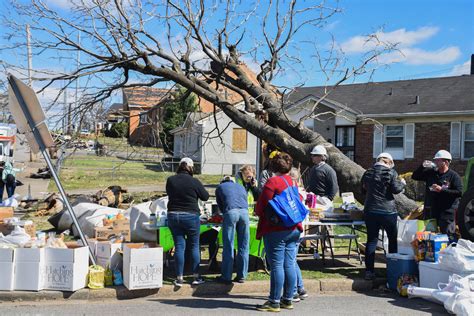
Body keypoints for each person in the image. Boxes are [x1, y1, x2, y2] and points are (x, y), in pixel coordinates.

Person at [255, 152, 303, 312]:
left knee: (276, 265)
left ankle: (274, 301)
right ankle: (288, 299)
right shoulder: (292, 182)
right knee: (289, 264)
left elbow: (261, 207)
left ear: (272, 166)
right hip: (294, 228)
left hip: (276, 229)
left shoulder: (272, 182)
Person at [166, 157, 209, 287]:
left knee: (179, 246)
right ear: (190, 168)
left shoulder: (171, 180)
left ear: (179, 166)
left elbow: (169, 193)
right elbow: (205, 196)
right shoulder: (194, 181)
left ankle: (179, 278)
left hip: (173, 215)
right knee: (194, 246)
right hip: (190, 215)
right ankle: (196, 276)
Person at [362, 152, 405, 280]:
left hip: (370, 210)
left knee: (372, 240)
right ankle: (392, 270)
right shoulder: (391, 173)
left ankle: (369, 271)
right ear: (389, 163)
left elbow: (363, 189)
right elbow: (396, 189)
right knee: (392, 240)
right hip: (388, 211)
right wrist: (402, 183)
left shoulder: (367, 172)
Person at [412, 150, 463, 240]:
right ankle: (432, 253)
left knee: (448, 236)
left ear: (446, 162)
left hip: (447, 212)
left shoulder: (453, 176)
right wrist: (422, 166)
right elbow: (415, 176)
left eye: (438, 160)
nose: (435, 162)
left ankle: (449, 252)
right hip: (432, 210)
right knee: (430, 236)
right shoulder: (431, 173)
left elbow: (459, 192)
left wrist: (442, 190)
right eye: (435, 160)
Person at [215, 175, 250, 284]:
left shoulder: (220, 187)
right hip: (244, 213)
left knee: (228, 245)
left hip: (230, 212)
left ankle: (226, 276)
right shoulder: (240, 186)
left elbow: (220, 205)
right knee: (244, 245)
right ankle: (242, 275)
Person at [288, 167, 308, 301]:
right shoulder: (302, 192)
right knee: (293, 260)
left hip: (294, 228)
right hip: (299, 229)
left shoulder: (295, 192)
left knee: (290, 261)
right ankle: (300, 288)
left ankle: (294, 290)